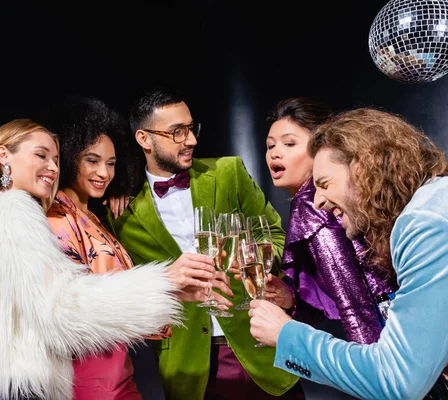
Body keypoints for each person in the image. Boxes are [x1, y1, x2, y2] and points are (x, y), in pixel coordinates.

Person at [0, 118, 189, 400]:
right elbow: (60, 309)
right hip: (15, 388)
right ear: (4, 155)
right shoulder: (11, 211)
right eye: (41, 155)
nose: (52, 167)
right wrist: (164, 284)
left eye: (55, 159)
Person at [105, 87, 301, 400]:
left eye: (191, 129)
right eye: (177, 132)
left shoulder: (228, 172)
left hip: (261, 347)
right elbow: (126, 287)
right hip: (189, 366)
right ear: (144, 139)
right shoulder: (120, 210)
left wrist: (256, 263)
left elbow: (274, 234)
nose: (191, 140)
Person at [248, 108, 448, 400]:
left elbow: (397, 381)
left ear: (364, 170)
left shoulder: (424, 223)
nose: (318, 200)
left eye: (325, 184)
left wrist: (287, 335)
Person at [46, 96, 219, 399]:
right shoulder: (57, 219)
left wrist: (173, 295)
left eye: (111, 163)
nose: (104, 173)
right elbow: (68, 313)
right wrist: (166, 284)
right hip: (85, 382)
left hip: (117, 376)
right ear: (70, 157)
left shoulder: (98, 219)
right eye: (92, 160)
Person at [259, 97, 399, 399]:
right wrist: (290, 297)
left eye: (289, 143)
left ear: (322, 147)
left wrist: (377, 384)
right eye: (270, 145)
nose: (275, 153)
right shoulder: (330, 195)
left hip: (388, 337)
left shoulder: (313, 206)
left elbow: (355, 301)